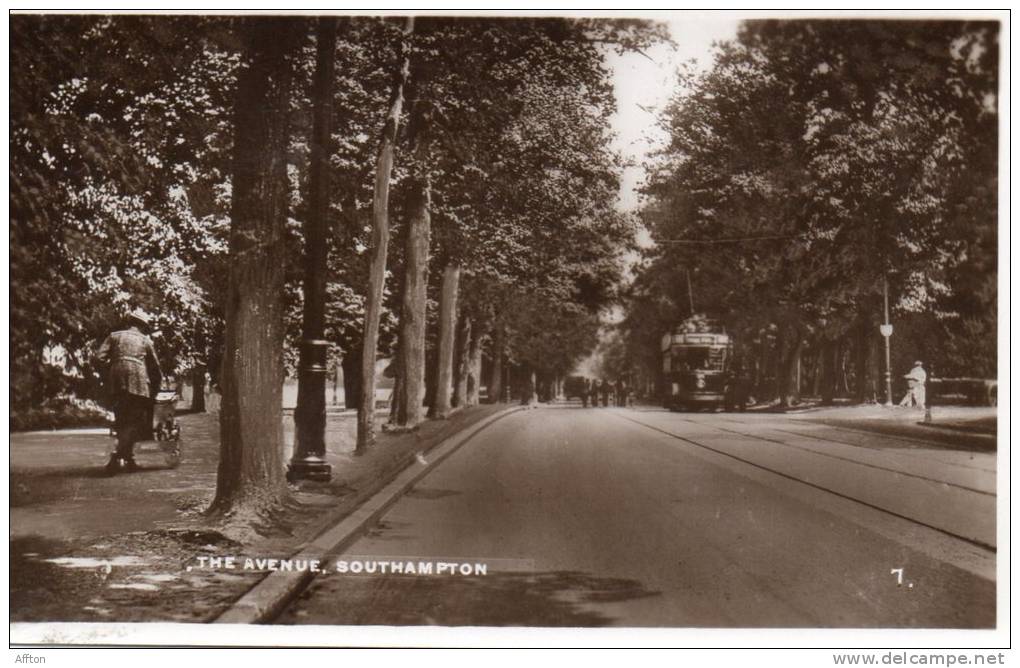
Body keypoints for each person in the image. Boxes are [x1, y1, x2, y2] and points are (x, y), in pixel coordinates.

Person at [97, 309, 163, 473]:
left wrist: (110, 373)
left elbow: (99, 358)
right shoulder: (146, 341)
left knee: (122, 419)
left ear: (130, 323)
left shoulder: (114, 336)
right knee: (135, 422)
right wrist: (155, 389)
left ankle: (128, 458)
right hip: (138, 382)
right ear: (143, 326)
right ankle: (117, 457)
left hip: (117, 380)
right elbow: (155, 368)